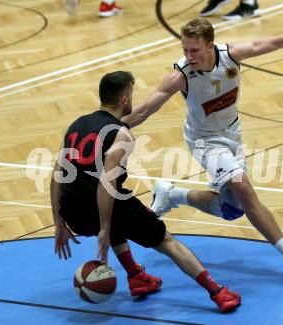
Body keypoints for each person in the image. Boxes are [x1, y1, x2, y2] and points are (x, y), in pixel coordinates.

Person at [122, 10, 283, 281]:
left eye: (195, 50)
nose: (189, 56)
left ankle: (171, 194)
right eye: (185, 49)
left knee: (231, 209)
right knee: (244, 188)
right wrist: (105, 129)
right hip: (204, 140)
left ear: (210, 46)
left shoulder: (232, 55)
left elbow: (281, 40)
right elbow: (144, 110)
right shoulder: (181, 76)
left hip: (232, 133)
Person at [50, 71, 241, 312]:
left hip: (74, 212)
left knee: (116, 220)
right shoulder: (121, 134)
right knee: (166, 241)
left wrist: (59, 223)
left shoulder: (76, 126)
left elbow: (57, 175)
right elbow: (105, 185)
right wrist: (105, 228)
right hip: (103, 202)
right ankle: (218, 293)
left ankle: (136, 277)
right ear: (125, 100)